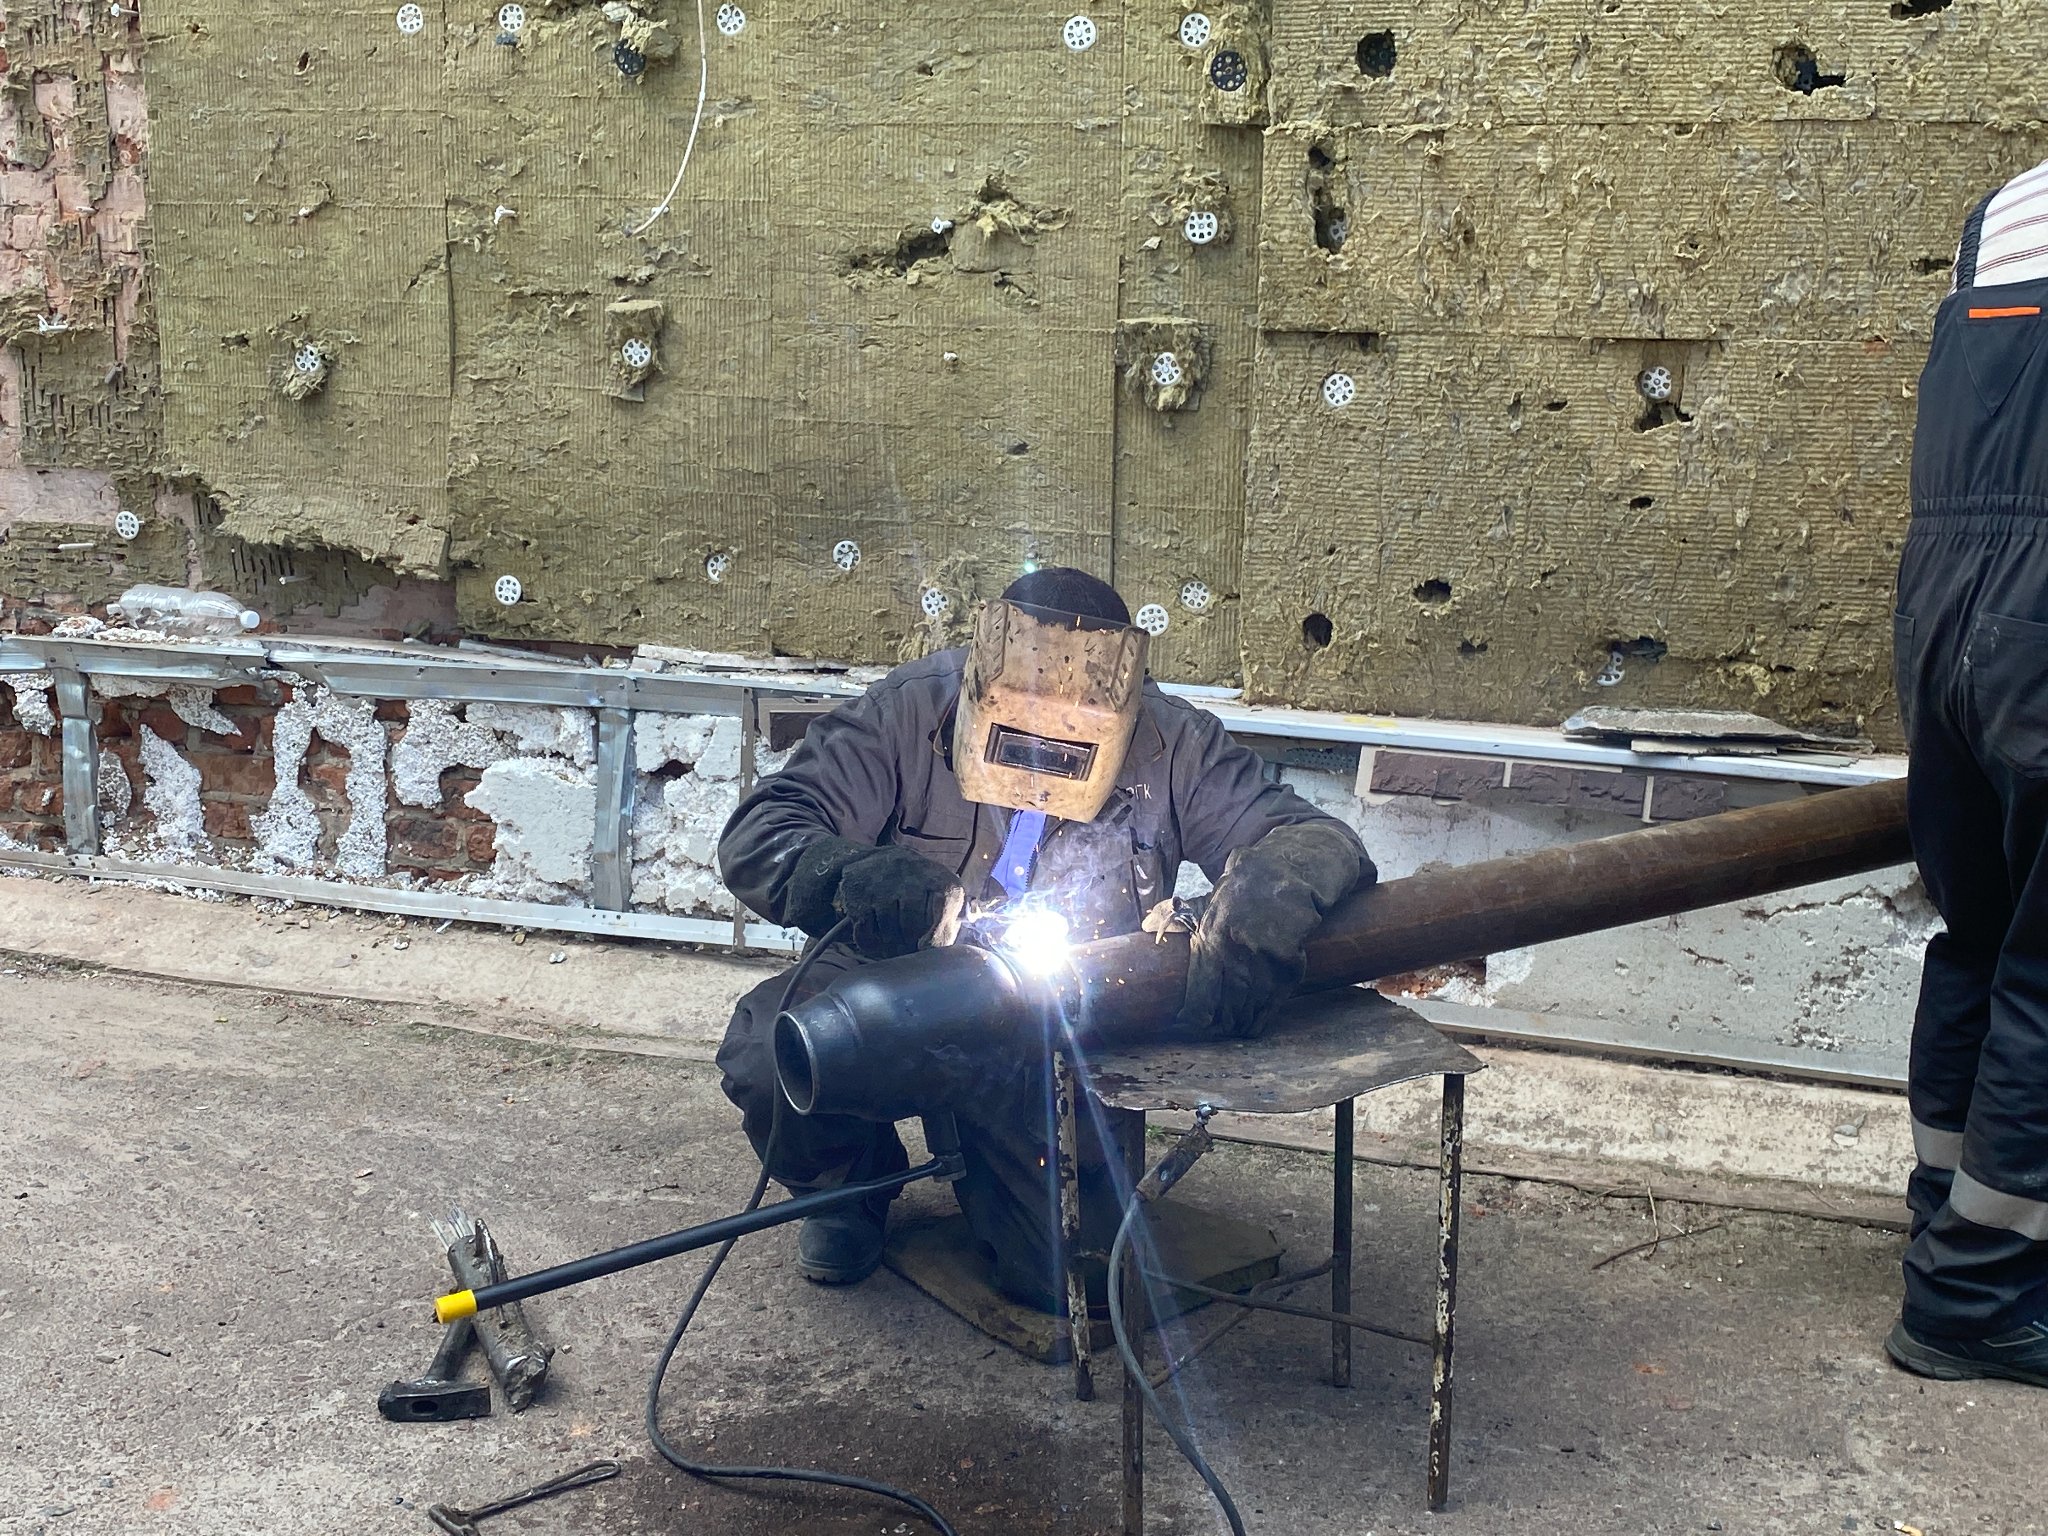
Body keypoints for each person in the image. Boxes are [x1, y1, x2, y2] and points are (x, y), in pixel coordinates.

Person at [714, 567, 1373, 1309]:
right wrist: (847, 873)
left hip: (1056, 1021)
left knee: (1064, 1284)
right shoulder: (910, 709)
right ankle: (850, 1187)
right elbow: (762, 829)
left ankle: (1002, 1173)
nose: (1038, 773)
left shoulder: (1175, 741)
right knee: (774, 1050)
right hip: (896, 976)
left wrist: (1261, 892)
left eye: (1069, 747)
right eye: (1019, 739)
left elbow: (1311, 836)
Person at [1886, 158, 2048, 1389]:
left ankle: (1943, 1213)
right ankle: (1974, 1297)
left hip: (1939, 602)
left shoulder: (2002, 209)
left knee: (1978, 942)